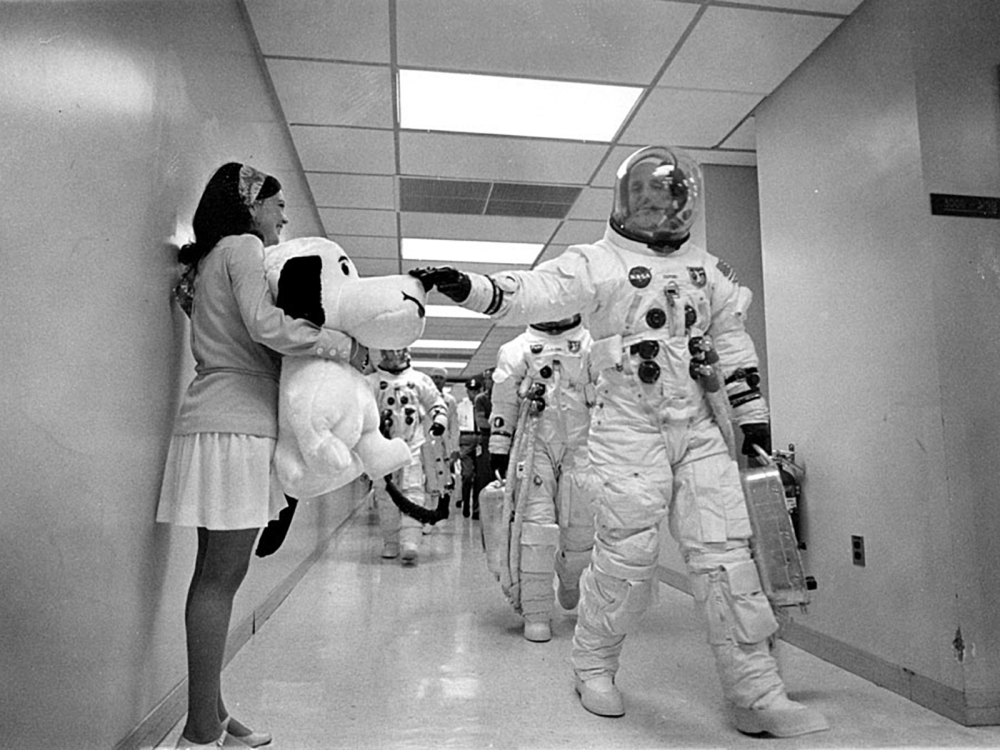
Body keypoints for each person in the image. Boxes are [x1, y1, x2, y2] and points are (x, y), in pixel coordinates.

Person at [411, 146, 828, 738]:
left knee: (726, 557)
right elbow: (533, 291)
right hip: (627, 427)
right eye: (649, 201)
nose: (661, 212)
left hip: (698, 429)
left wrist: (752, 415)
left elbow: (732, 344)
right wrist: (470, 287)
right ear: (627, 202)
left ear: (686, 204)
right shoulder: (598, 264)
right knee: (627, 557)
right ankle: (592, 665)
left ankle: (757, 693)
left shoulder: (708, 271)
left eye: (671, 201)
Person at [158, 162, 355, 748]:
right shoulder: (241, 247)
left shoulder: (208, 261)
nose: (283, 218)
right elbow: (264, 323)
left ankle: (212, 712)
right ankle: (198, 729)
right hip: (237, 428)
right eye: (276, 205)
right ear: (249, 205)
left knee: (210, 578)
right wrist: (332, 343)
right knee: (221, 580)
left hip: (211, 422)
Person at [488, 316, 596, 642]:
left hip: (583, 446)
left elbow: (613, 395)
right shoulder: (516, 350)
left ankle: (571, 574)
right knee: (535, 526)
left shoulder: (592, 345)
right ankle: (536, 613)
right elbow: (504, 399)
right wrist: (499, 443)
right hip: (534, 444)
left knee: (581, 525)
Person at [368, 348, 448, 565]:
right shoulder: (372, 382)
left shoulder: (419, 379)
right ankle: (391, 542)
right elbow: (361, 410)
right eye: (390, 349)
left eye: (399, 349)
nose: (395, 353)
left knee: (413, 489)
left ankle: (410, 541)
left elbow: (436, 403)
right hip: (381, 445)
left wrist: (439, 420)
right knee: (385, 494)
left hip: (413, 443)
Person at [427, 366, 460, 518]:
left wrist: (455, 448)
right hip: (427, 445)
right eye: (435, 377)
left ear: (444, 381)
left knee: (444, 476)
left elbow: (454, 425)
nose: (437, 381)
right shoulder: (424, 398)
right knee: (427, 477)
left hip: (444, 445)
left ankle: (441, 508)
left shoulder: (450, 401)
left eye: (440, 378)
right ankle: (427, 510)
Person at [455, 377, 481, 517]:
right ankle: (465, 501)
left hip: (480, 438)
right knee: (467, 475)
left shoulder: (483, 403)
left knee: (479, 476)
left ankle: (476, 508)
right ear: (467, 391)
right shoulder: (461, 406)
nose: (474, 393)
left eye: (476, 390)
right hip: (466, 438)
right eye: (471, 390)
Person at [470, 369, 494, 520]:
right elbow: (482, 422)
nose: (491, 382)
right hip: (486, 440)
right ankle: (478, 508)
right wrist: (500, 426)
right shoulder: (481, 400)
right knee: (483, 476)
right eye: (489, 379)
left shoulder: (506, 399)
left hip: (505, 439)